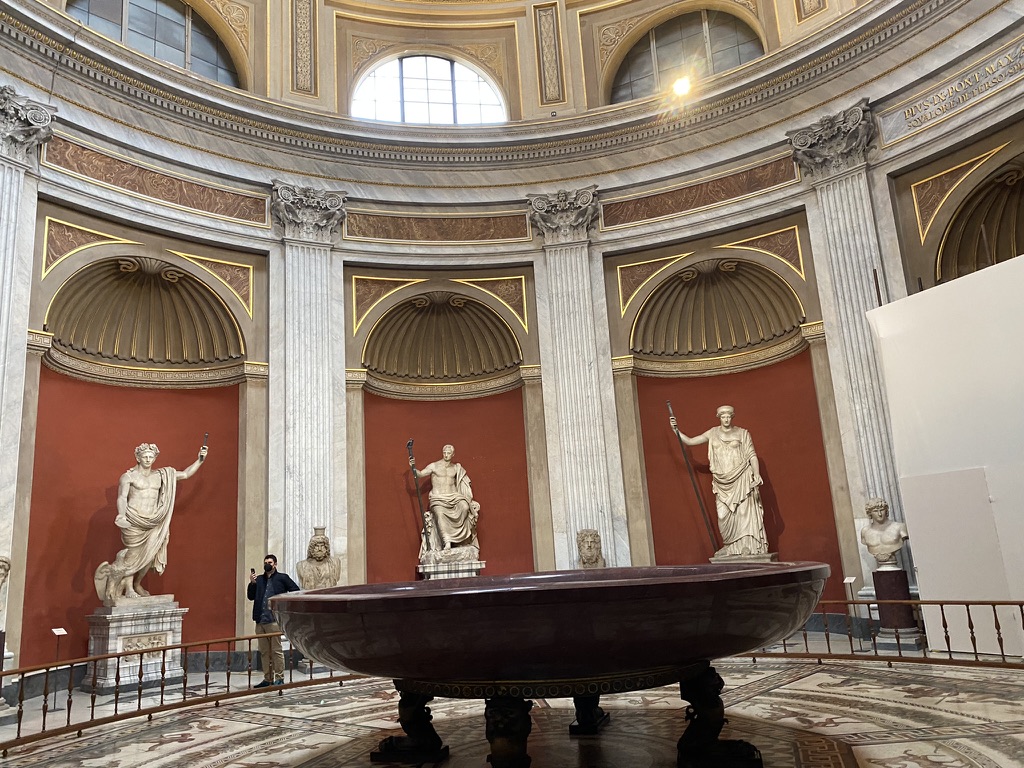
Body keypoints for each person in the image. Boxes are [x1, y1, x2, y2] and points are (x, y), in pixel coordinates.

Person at [94, 441, 208, 603]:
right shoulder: (128, 477)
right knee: (132, 555)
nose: (148, 459)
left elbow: (185, 474)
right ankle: (126, 587)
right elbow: (122, 497)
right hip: (134, 520)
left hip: (154, 521)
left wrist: (200, 460)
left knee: (151, 554)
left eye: (151, 457)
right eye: (144, 456)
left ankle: (137, 584)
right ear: (138, 458)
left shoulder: (161, 476)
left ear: (155, 458)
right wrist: (121, 515)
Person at [669, 406, 769, 557]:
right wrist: (676, 430)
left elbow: (752, 455)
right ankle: (729, 547)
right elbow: (690, 441)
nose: (726, 419)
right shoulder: (712, 433)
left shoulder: (742, 433)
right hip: (722, 482)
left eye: (728, 416)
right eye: (723, 417)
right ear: (719, 417)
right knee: (723, 515)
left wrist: (756, 473)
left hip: (741, 476)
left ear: (732, 417)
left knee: (743, 512)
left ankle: (747, 546)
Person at [410, 444, 481, 559]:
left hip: (454, 496)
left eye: (449, 453)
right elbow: (420, 474)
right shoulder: (434, 466)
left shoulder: (456, 468)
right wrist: (413, 467)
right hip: (438, 498)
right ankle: (447, 541)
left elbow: (464, 482)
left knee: (465, 507)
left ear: (453, 455)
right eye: (444, 453)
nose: (446, 455)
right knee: (439, 513)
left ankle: (459, 539)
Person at [247, 554, 301, 687]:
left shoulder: (282, 578)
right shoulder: (259, 580)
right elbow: (250, 596)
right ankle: (268, 678)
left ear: (275, 564)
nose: (267, 564)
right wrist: (252, 584)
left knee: (276, 651)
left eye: (270, 562)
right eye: (265, 562)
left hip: (274, 621)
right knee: (264, 652)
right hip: (260, 620)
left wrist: (284, 606)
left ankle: (279, 678)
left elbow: (295, 591)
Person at [860, 498, 909, 570]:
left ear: (886, 511)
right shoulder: (865, 531)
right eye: (875, 511)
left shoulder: (899, 527)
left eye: (882, 510)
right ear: (870, 513)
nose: (879, 514)